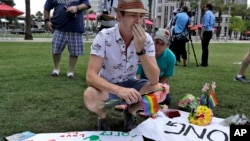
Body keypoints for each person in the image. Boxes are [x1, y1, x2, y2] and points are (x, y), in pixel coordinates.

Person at [83, 0, 168, 131]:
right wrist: (118, 90)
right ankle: (102, 116)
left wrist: (141, 50)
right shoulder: (104, 36)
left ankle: (130, 111)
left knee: (159, 89)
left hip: (131, 83)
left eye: (141, 16)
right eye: (133, 16)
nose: (138, 21)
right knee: (90, 95)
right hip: (107, 85)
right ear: (119, 16)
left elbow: (154, 79)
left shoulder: (146, 39)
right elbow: (91, 76)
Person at [44, 0, 91, 78]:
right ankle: (56, 69)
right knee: (56, 50)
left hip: (75, 27)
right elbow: (46, 8)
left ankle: (70, 71)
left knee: (74, 52)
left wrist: (77, 7)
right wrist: (47, 21)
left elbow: (87, 4)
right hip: (59, 27)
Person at [137, 28, 176, 105]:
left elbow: (166, 78)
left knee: (166, 100)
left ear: (167, 45)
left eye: (162, 44)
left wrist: (157, 92)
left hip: (156, 84)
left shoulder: (171, 57)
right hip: (141, 83)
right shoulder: (144, 53)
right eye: (156, 42)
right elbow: (137, 76)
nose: (157, 46)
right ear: (152, 41)